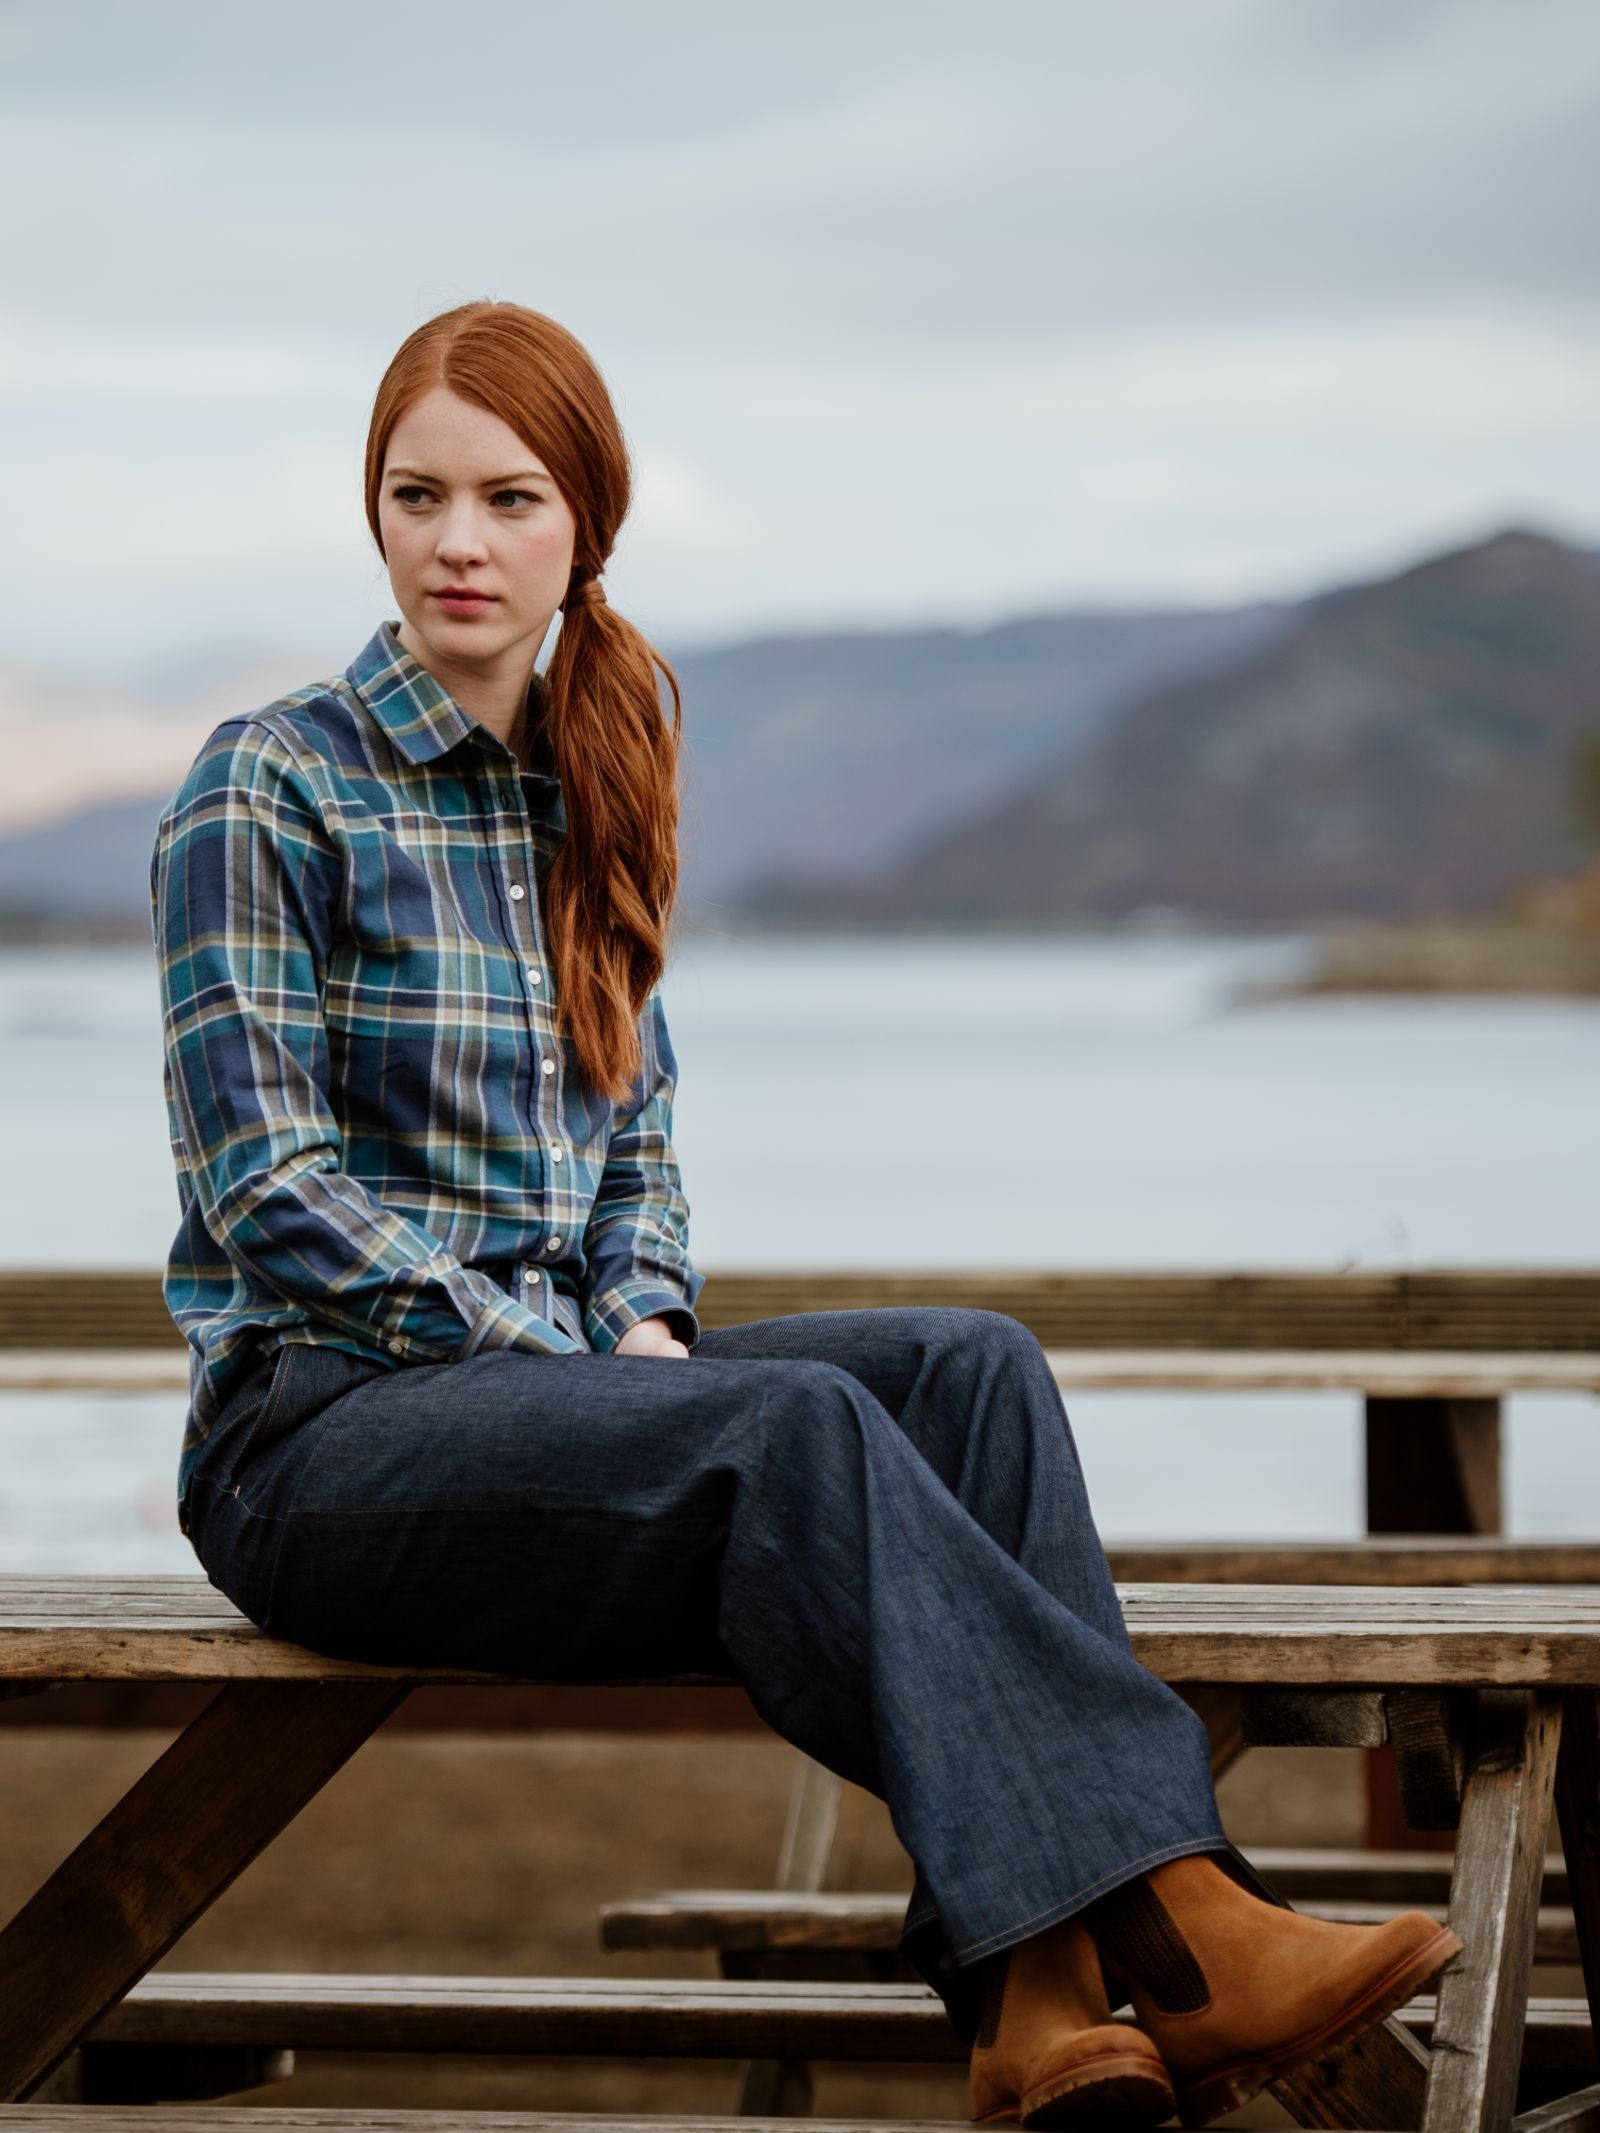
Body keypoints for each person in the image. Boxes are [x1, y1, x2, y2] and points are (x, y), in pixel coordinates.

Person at [149, 299, 1461, 2130]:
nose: (460, 539)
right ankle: (1182, 1908)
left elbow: (636, 1149)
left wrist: (647, 1321)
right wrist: (580, 1364)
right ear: (370, 513)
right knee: (802, 1421)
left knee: (969, 1369)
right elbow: (264, 1190)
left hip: (558, 1406)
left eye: (511, 497)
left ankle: (1039, 2000)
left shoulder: (587, 790)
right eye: (417, 492)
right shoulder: (266, 781)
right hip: (318, 1435)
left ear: (583, 525)